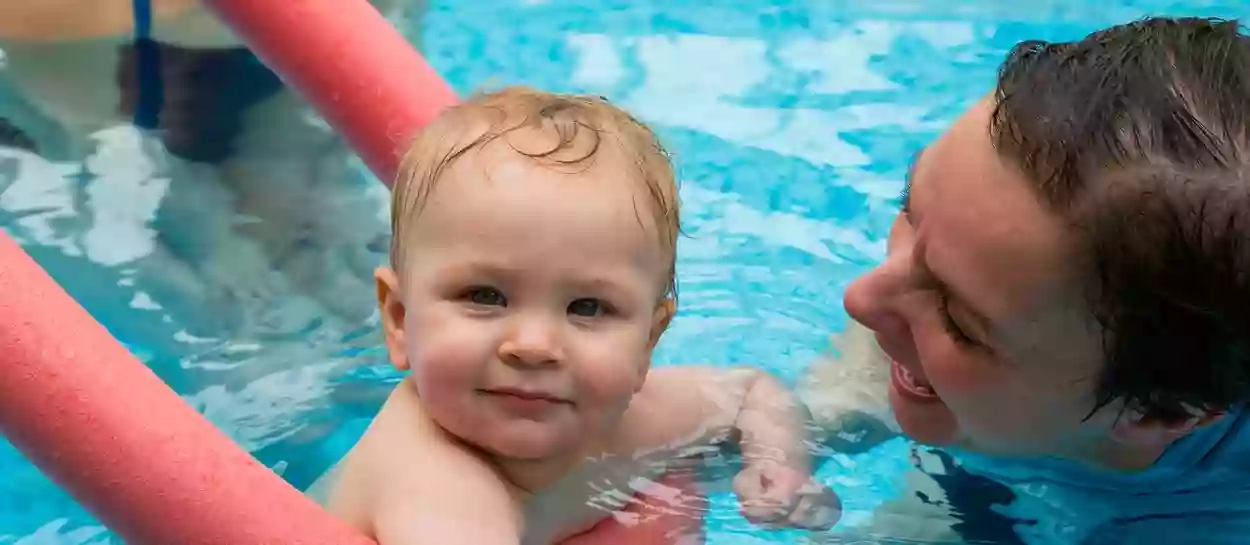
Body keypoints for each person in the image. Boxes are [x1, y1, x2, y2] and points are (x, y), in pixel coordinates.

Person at [315, 86, 841, 544]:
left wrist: (779, 466)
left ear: (647, 341)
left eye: (588, 307)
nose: (533, 344)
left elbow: (750, 392)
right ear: (401, 319)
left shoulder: (632, 423)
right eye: (484, 296)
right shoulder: (439, 493)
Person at [799, 16, 1250, 544]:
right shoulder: (1014, 292)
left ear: (1152, 415)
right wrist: (812, 420)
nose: (862, 297)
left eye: (958, 322)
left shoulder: (1206, 519)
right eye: (910, 209)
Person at [0, 0, 419, 330]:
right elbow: (98, 141)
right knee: (223, 303)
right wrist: (210, 238)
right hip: (90, 99)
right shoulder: (47, 18)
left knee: (338, 249)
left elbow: (377, 43)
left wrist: (298, 163)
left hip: (266, 73)